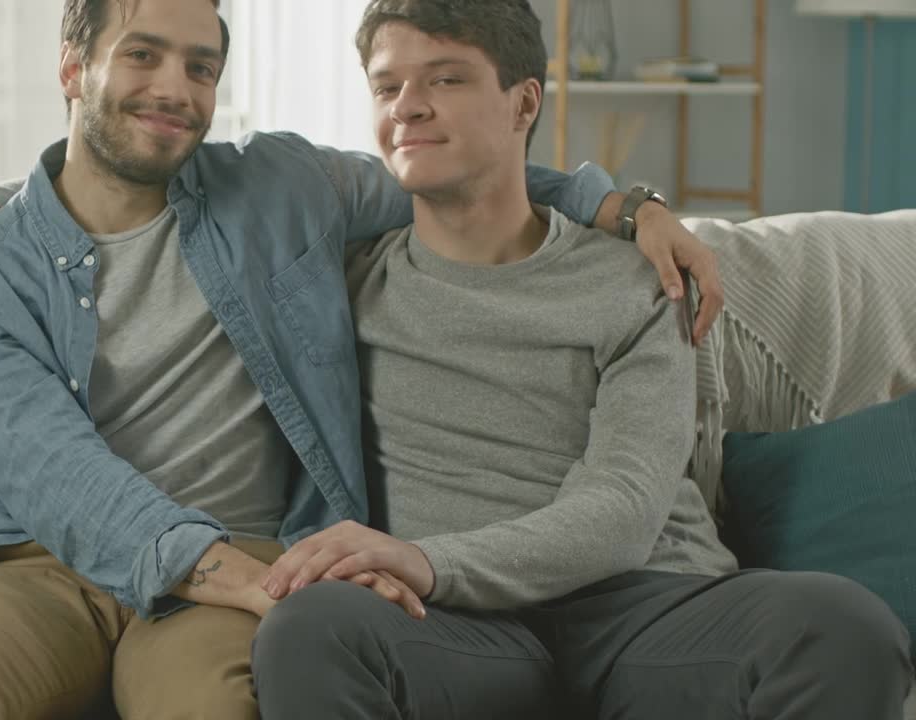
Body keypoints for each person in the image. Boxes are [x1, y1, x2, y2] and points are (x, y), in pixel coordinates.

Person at [0, 0, 726, 717]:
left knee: (219, 708)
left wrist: (625, 207)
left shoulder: (280, 186)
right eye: (142, 56)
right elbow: (49, 469)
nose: (172, 89)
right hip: (48, 561)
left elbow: (458, 160)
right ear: (74, 67)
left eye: (199, 68)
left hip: (257, 545)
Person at [249, 1, 915, 718]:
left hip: (643, 606)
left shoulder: (640, 278)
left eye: (445, 80)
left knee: (842, 627)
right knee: (309, 629)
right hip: (454, 624)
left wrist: (431, 561)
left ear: (523, 102)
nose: (408, 107)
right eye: (388, 87)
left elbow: (625, 508)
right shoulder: (340, 287)